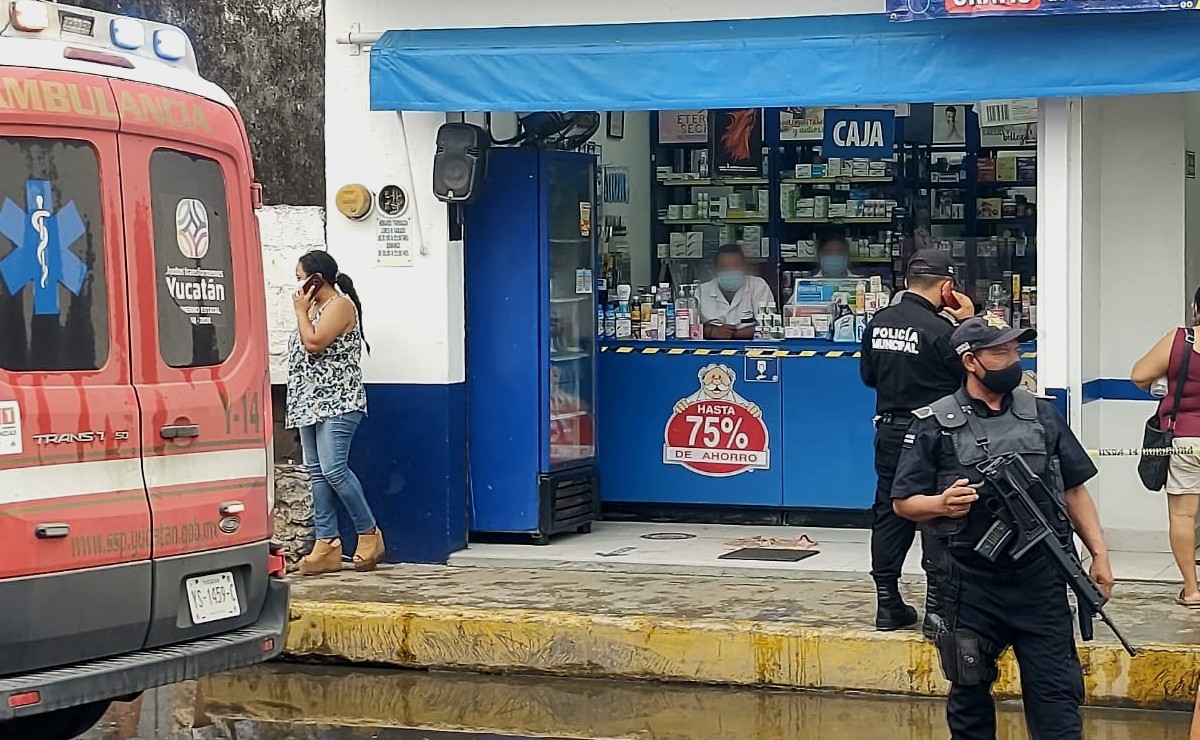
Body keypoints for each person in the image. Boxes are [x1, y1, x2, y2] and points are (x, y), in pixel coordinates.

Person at [892, 316, 1113, 740]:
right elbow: (903, 502)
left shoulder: (1041, 414)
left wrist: (1099, 554)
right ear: (970, 361)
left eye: (1015, 350)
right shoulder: (934, 422)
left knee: (1058, 705)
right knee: (970, 705)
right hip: (968, 587)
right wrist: (939, 504)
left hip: (1041, 583)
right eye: (1000, 352)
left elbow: (1074, 489)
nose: (1013, 360)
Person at [859, 249, 975, 631]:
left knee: (889, 510)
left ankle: (886, 603)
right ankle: (936, 609)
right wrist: (968, 322)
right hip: (934, 433)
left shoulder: (878, 322)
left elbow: (869, 377)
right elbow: (972, 376)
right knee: (937, 512)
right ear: (947, 288)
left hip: (891, 430)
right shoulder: (942, 331)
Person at [288, 250, 385, 575]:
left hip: (337, 402)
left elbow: (314, 343)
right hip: (308, 403)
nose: (297, 286)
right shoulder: (313, 308)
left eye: (301, 278)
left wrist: (300, 312)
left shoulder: (339, 306)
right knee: (317, 473)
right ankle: (326, 542)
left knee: (334, 470)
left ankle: (369, 532)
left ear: (316, 280)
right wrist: (304, 311)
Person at [1131, 286, 1200, 607]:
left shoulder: (1181, 340)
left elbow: (1139, 375)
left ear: (1196, 309)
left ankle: (1192, 590)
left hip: (1185, 438)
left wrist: (1165, 382)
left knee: (1183, 516)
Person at [698, 244, 775, 340]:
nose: (730, 270)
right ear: (715, 269)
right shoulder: (701, 291)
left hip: (750, 345)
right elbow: (688, 326)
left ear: (744, 267)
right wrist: (711, 332)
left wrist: (734, 334)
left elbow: (769, 326)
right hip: (709, 346)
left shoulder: (758, 286)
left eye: (736, 266)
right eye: (724, 267)